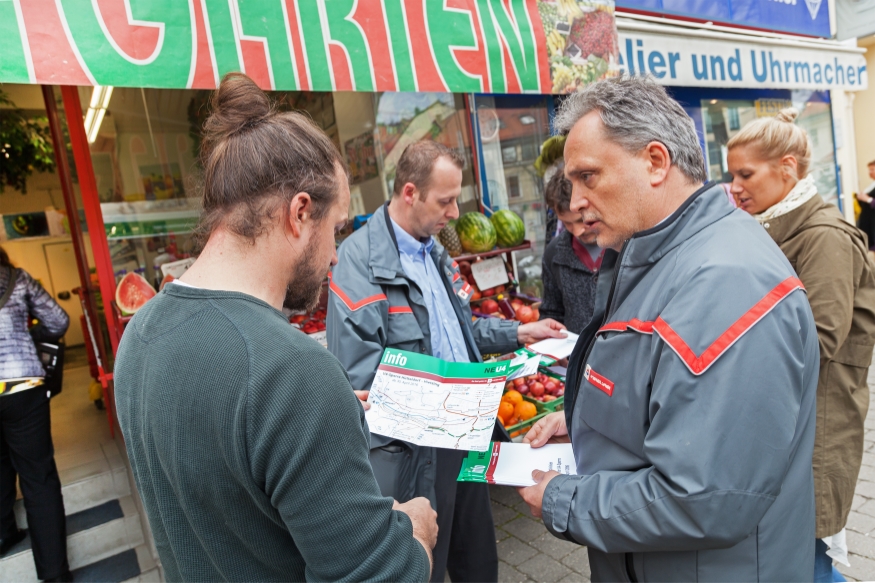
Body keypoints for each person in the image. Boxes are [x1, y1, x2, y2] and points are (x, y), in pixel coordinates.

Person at [114, 73, 437, 582]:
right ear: (300, 213)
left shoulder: (140, 331)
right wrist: (415, 530)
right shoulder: (293, 372)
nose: (335, 254)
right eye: (336, 229)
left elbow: (221, 464)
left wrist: (314, 422)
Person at [517, 76, 819, 581]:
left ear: (655, 162)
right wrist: (589, 418)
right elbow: (665, 392)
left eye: (589, 177)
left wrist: (563, 499)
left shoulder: (726, 282)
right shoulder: (657, 253)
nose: (577, 200)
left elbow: (702, 498)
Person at [327, 139, 567, 582]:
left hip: (468, 432)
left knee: (477, 555)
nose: (455, 213)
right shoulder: (358, 264)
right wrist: (444, 403)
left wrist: (516, 332)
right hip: (418, 449)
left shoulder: (432, 249)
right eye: (446, 200)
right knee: (427, 564)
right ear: (410, 193)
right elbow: (361, 378)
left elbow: (456, 331)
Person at [727, 109, 875, 583]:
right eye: (732, 174)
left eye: (745, 174)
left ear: (787, 168)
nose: (735, 186)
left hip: (819, 421)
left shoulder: (824, 237)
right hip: (793, 418)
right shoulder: (773, 226)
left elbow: (818, 338)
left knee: (806, 559)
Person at [0, 246, 71, 582]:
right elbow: (58, 319)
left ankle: (3, 533)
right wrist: (28, 336)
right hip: (21, 387)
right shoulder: (17, 279)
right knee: (38, 477)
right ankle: (54, 573)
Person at [541, 171, 603, 333]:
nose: (577, 231)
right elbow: (551, 312)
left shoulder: (626, 244)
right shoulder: (553, 254)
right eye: (567, 223)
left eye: (580, 220)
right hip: (576, 356)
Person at [855, 159, 875, 262]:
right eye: (869, 170)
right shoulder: (871, 185)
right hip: (868, 226)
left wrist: (868, 199)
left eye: (872, 169)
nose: (870, 172)